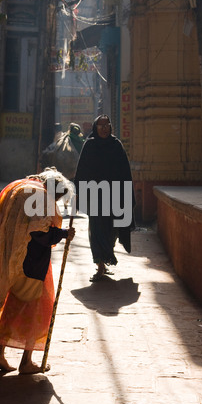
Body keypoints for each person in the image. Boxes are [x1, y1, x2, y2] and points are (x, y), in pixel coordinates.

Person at [0, 168, 75, 373]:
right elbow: (39, 231)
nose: (55, 202)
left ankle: (0, 351)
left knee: (16, 304)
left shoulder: (22, 187)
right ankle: (25, 361)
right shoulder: (40, 197)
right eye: (57, 197)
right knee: (34, 309)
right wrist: (63, 233)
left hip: (15, 258)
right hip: (31, 261)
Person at [74, 114, 135, 282]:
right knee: (97, 231)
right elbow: (82, 170)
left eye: (107, 125)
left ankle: (107, 257)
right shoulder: (90, 145)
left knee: (113, 230)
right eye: (101, 126)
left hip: (115, 194)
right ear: (95, 128)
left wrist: (127, 195)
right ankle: (100, 264)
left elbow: (124, 171)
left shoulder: (116, 145)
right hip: (95, 195)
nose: (104, 129)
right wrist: (78, 190)